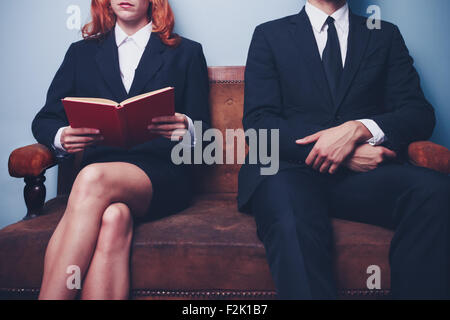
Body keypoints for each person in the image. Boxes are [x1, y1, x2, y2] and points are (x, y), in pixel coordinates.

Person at [238, 0, 450, 299]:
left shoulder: (384, 35)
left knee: (439, 192)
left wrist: (360, 129)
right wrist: (342, 151)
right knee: (291, 218)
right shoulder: (269, 35)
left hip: (365, 179)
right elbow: (259, 125)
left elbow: (419, 114)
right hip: (289, 171)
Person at [32, 0, 210, 300]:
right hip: (101, 172)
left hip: (161, 176)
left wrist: (188, 129)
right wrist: (63, 136)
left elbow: (206, 135)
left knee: (91, 178)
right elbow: (46, 119)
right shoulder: (81, 54)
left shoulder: (186, 52)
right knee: (114, 218)